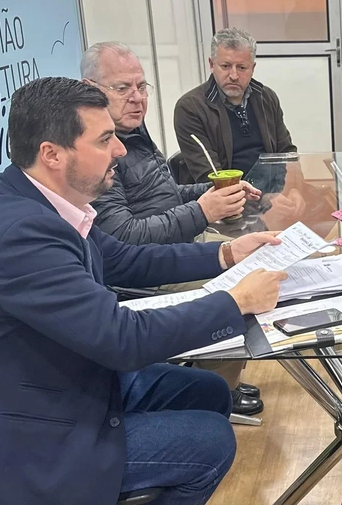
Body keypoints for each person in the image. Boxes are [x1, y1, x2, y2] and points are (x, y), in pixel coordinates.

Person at [0, 77, 288, 505]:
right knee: (211, 441)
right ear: (52, 154)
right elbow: (122, 340)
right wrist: (236, 301)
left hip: (56, 382)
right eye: (105, 140)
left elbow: (123, 259)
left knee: (209, 392)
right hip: (24, 440)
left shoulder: (35, 200)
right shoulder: (23, 236)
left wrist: (227, 254)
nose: (119, 150)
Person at [82, 41, 264, 416]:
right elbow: (123, 240)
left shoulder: (132, 131)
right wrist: (201, 211)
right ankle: (211, 391)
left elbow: (163, 194)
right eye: (122, 88)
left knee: (261, 258)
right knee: (238, 293)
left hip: (177, 243)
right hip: (146, 268)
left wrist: (211, 192)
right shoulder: (96, 153)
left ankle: (215, 377)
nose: (137, 98)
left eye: (141, 86)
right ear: (90, 89)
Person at [174, 27, 296, 184]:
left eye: (242, 67)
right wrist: (265, 200)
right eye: (225, 66)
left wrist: (293, 190)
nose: (233, 75)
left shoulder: (266, 98)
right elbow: (210, 176)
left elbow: (287, 154)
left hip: (274, 191)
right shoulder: (190, 108)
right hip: (228, 198)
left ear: (253, 68)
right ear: (211, 65)